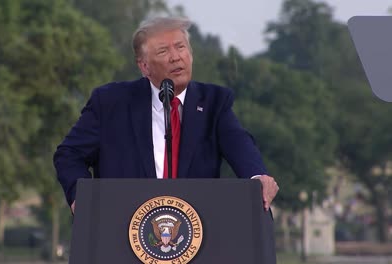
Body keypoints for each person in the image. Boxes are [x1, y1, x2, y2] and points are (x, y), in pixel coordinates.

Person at [53, 17, 279, 214]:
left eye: (181, 47)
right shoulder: (111, 103)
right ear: (144, 66)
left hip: (196, 232)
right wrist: (81, 196)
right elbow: (69, 154)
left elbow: (240, 145)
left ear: (190, 54)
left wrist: (256, 177)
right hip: (124, 229)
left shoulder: (213, 103)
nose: (175, 57)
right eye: (163, 51)